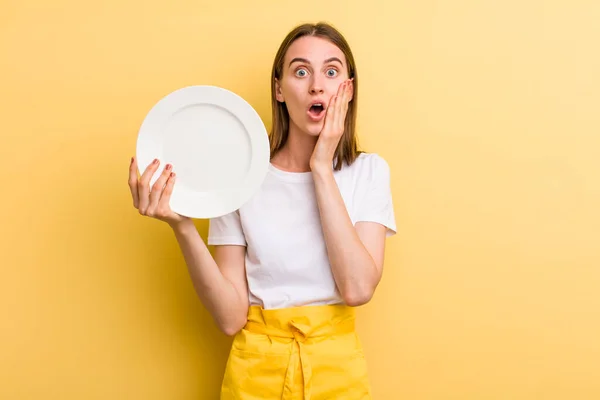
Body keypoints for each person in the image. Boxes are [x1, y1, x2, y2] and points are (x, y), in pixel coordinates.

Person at [128, 21, 396, 400]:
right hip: (255, 374)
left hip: (337, 375)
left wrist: (321, 167)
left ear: (347, 90)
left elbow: (356, 288)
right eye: (301, 71)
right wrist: (182, 226)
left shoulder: (368, 171)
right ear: (279, 90)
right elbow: (230, 317)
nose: (316, 85)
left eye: (331, 71)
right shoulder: (241, 175)